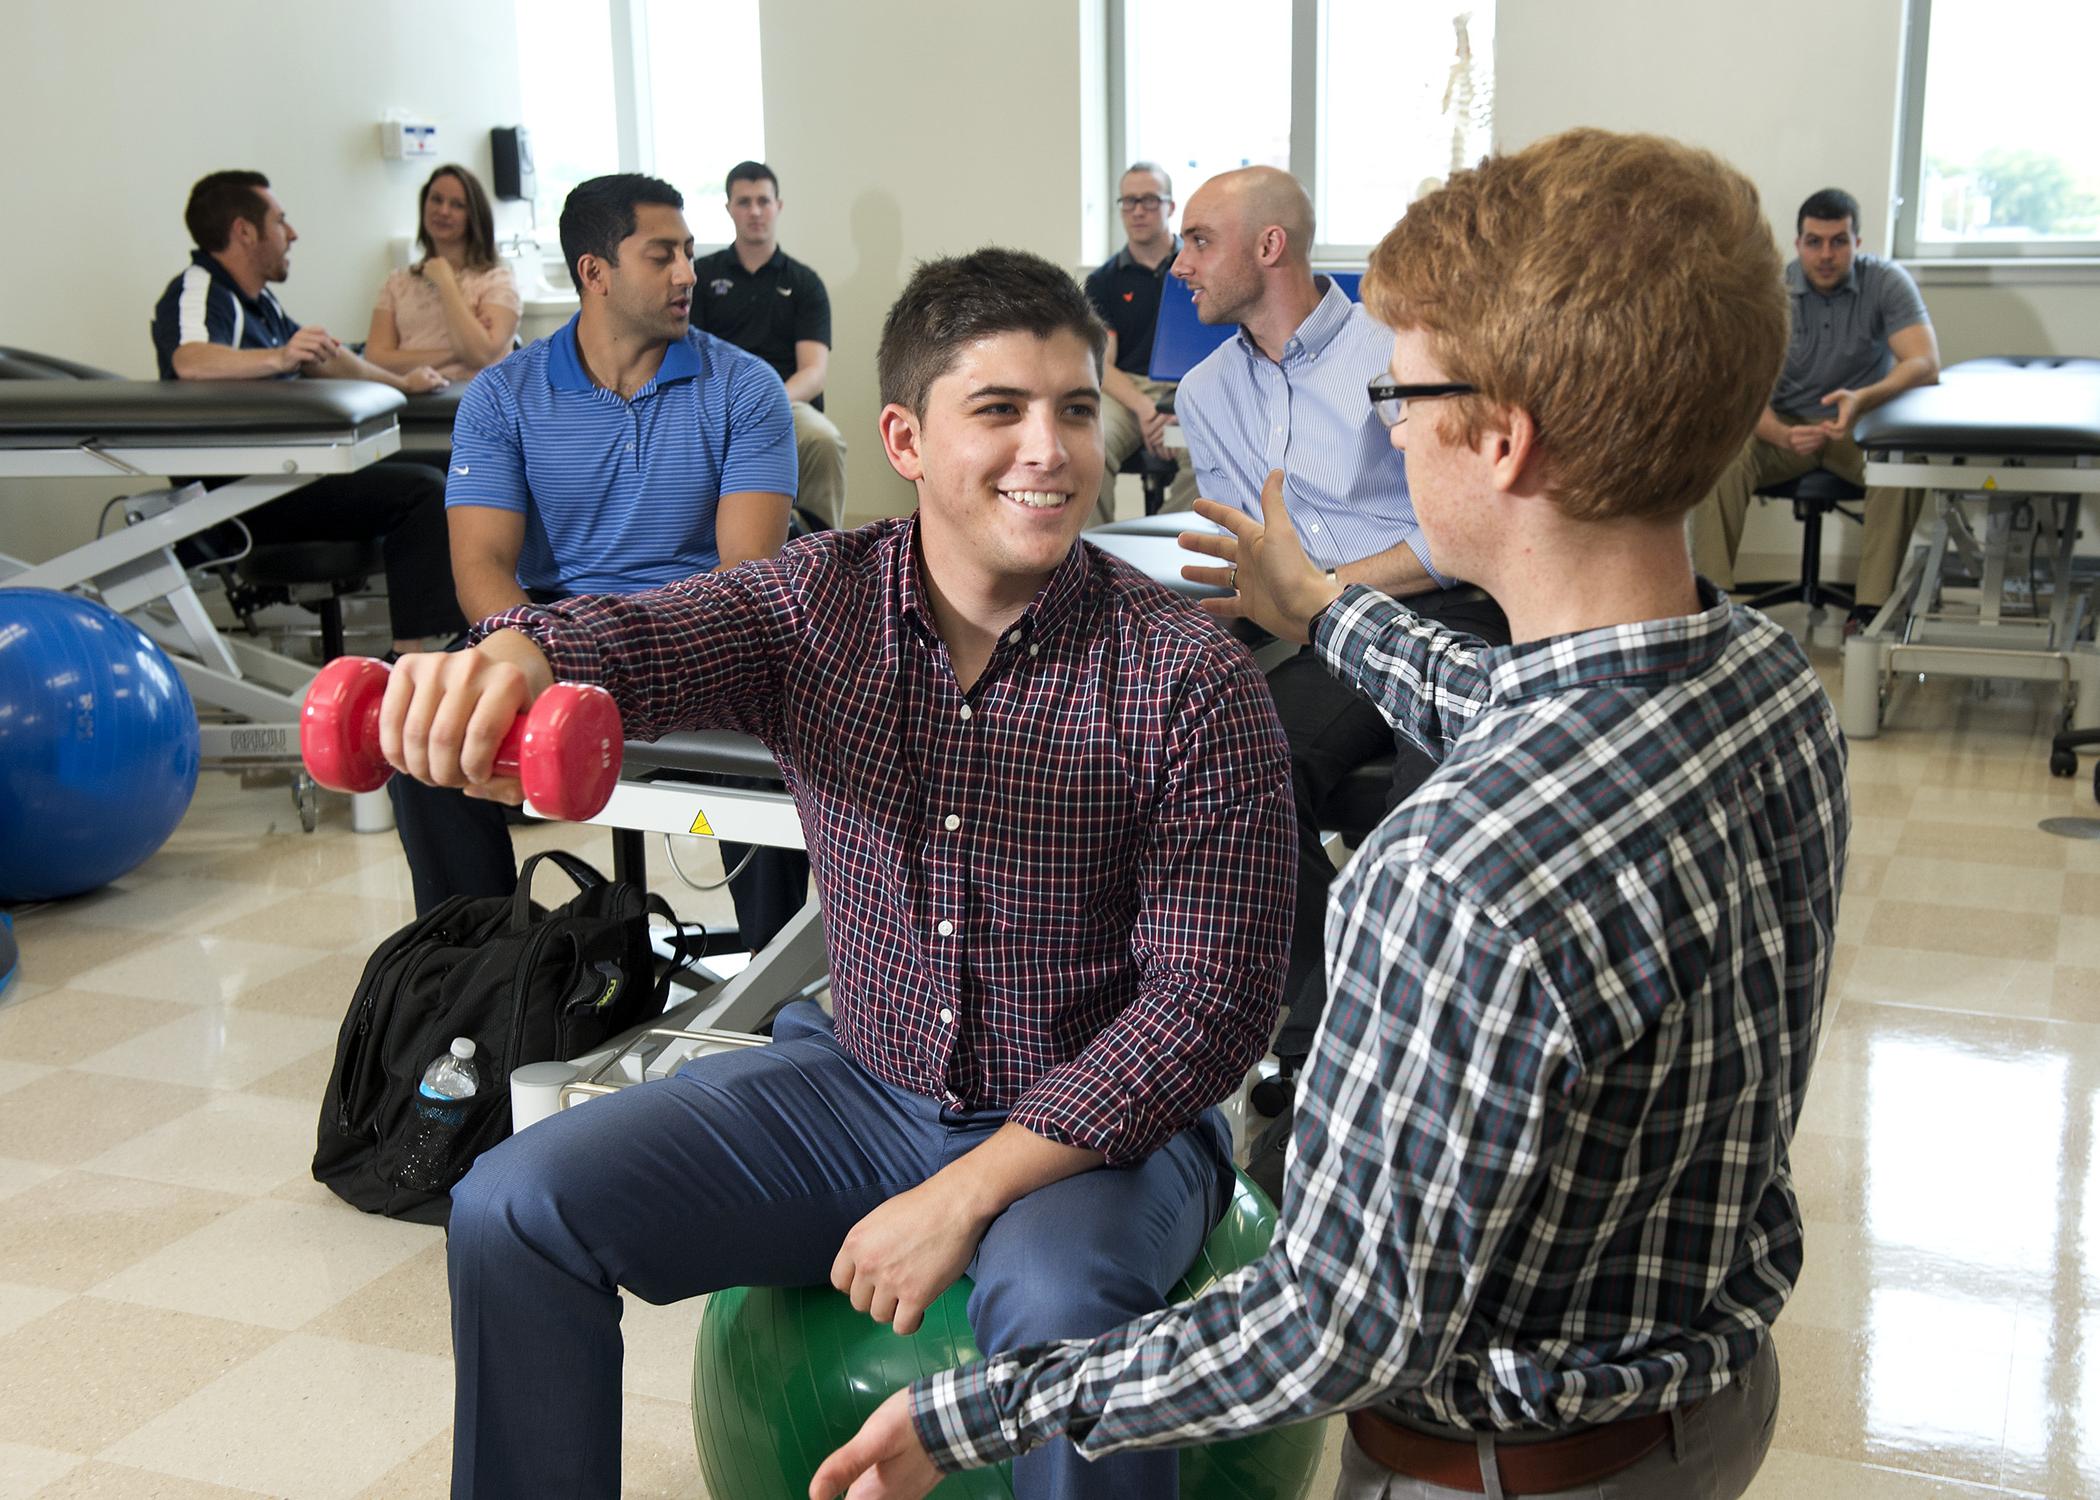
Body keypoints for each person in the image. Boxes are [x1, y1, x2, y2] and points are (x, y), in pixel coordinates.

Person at [811, 126, 1845, 1500]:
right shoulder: (1767, 678)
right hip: (1700, 1409)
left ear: (1504, 439)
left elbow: (1331, 1322)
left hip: (1492, 1464)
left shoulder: (1454, 876)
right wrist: (1325, 609)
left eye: (1406, 395)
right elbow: (1516, 701)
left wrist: (979, 1414)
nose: (1391, 424)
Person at [382, 247, 1293, 1500]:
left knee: (1066, 1306)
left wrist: (967, 1193)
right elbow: (646, 634)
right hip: (863, 1080)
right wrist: (521, 655)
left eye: (1076, 410)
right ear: (906, 440)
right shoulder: (821, 606)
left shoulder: (1188, 679)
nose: (1051, 449)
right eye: (1001, 411)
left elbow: (1209, 1011)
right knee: (513, 1207)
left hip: (1100, 1132)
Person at [1171, 165, 1509, 1184]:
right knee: (1248, 776)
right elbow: (1250, 550)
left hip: (1440, 606)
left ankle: (1411, 1063)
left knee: (1428, 822)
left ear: (1268, 248)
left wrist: (1320, 592)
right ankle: (1334, 1039)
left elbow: (1455, 534)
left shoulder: (1391, 353)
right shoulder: (1204, 390)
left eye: (1197, 241)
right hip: (1312, 631)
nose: (1177, 264)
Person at [386, 173, 809, 949]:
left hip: (698, 640)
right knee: (428, 743)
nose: (687, 272)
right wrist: (540, 660)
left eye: (687, 252)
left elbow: (745, 579)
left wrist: (622, 658)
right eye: (662, 256)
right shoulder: (502, 397)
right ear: (595, 272)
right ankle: (481, 981)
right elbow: (481, 566)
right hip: (546, 632)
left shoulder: (745, 388)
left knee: (776, 725)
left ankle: (772, 986)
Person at [152, 169, 463, 655]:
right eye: (281, 221)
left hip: (289, 477)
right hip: (245, 497)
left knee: (460, 470)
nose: (291, 233)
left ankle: (487, 628)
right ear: (244, 231)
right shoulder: (200, 288)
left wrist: (401, 383)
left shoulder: (259, 303)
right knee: (423, 492)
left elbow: (326, 356)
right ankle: (411, 657)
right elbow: (189, 360)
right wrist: (279, 358)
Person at [1688, 187, 1939, 624]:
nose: (1826, 254)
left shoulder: (1885, 282)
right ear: (1798, 242)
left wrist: (1862, 399)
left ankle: (1871, 610)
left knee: (1903, 461)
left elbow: (1924, 363)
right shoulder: (1769, 290)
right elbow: (1737, 390)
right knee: (1721, 453)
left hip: (1857, 427)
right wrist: (1781, 434)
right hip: (1783, 430)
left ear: (1857, 243)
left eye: (1839, 241)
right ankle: (1711, 610)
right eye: (1814, 241)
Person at [693, 160, 849, 527]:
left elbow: (813, 372)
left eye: (763, 201)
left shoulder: (805, 283)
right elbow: (690, 358)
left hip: (786, 402)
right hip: (716, 405)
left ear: (778, 206)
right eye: (744, 202)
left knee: (825, 441)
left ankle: (825, 556)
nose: (755, 211)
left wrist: (764, 404)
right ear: (729, 207)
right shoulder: (700, 278)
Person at [1084, 161, 1195, 522]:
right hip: (1127, 391)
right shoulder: (1104, 281)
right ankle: (1091, 559)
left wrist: (1176, 404)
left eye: (1149, 200)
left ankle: (1161, 540)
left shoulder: (1197, 269)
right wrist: (1146, 409)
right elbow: (1101, 363)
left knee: (1216, 455)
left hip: (1190, 388)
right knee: (1087, 447)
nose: (1138, 211)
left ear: (1170, 207)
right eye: (1129, 202)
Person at [364, 162, 522, 383]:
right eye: (436, 200)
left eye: (457, 205)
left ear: (473, 216)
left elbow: (481, 355)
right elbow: (376, 360)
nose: (443, 211)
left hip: (477, 403)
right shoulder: (397, 282)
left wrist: (446, 283)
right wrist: (455, 353)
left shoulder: (497, 280)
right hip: (412, 399)